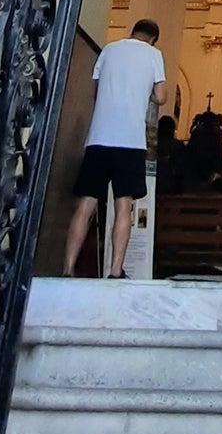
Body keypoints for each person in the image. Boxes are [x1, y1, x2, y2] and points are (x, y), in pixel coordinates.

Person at [63, 20, 166, 278]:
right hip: (129, 141)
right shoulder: (153, 55)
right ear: (153, 38)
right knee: (124, 206)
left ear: (133, 31)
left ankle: (67, 268)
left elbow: (96, 90)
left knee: (85, 205)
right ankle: (116, 270)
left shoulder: (109, 49)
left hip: (98, 138)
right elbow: (162, 96)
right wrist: (147, 94)